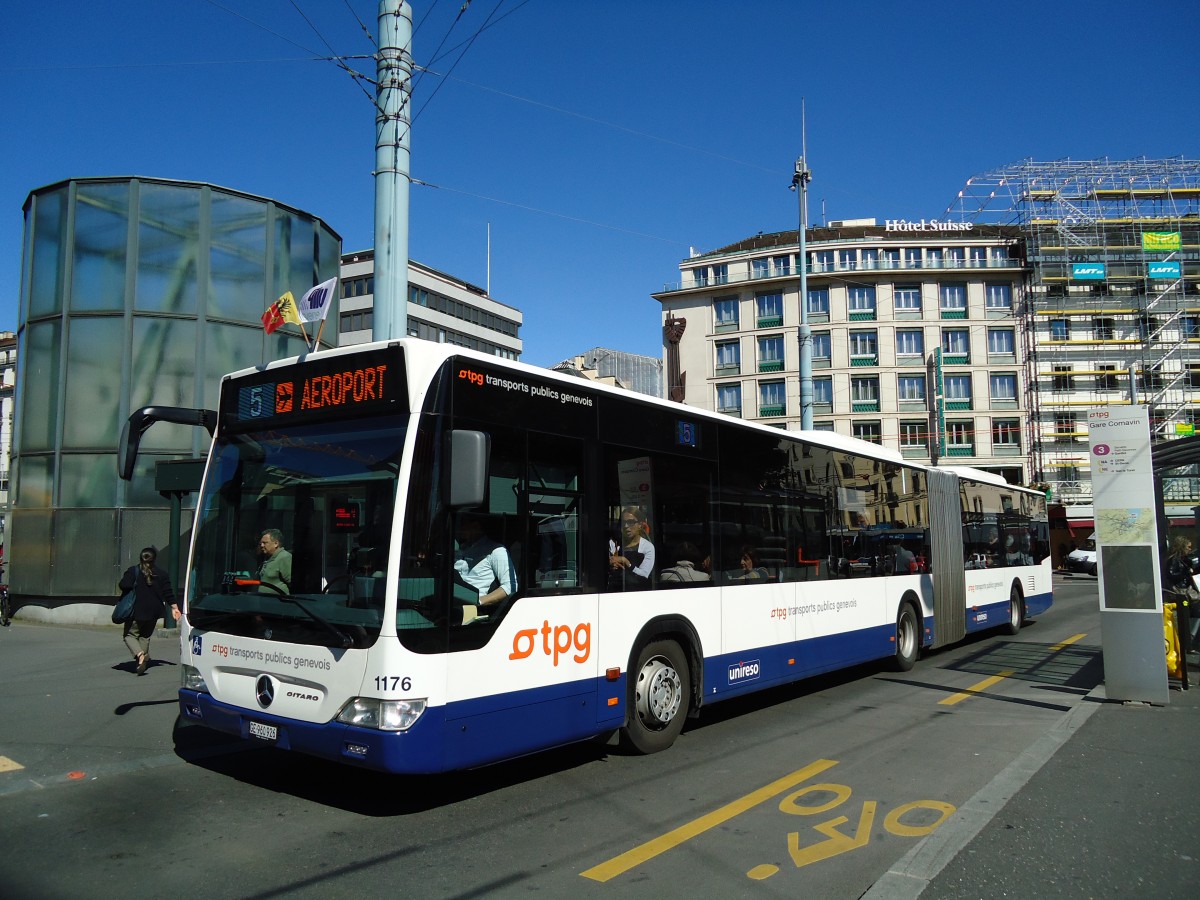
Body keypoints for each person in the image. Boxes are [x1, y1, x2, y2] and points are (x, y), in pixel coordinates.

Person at [118, 547, 180, 675]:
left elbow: (123, 585)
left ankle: (140, 654)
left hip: (137, 610)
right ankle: (142, 662)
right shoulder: (162, 574)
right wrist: (175, 608)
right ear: (154, 559)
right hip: (154, 611)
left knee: (129, 635)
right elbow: (168, 592)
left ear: (140, 558)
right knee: (145, 636)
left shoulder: (133, 571)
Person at [454, 514, 517, 609]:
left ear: (476, 526)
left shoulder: (496, 550)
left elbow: (510, 586)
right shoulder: (460, 548)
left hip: (473, 608)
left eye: (463, 524)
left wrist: (478, 602)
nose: (459, 528)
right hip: (452, 602)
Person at [608, 506, 655, 589]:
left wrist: (626, 562)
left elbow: (644, 574)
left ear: (640, 525)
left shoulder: (647, 547)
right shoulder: (613, 543)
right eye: (623, 522)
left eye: (630, 522)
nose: (626, 526)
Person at [257, 528, 293, 595]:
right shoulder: (266, 557)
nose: (262, 545)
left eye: (265, 543)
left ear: (276, 543)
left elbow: (293, 583)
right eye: (261, 543)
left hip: (278, 602)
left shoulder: (284, 557)